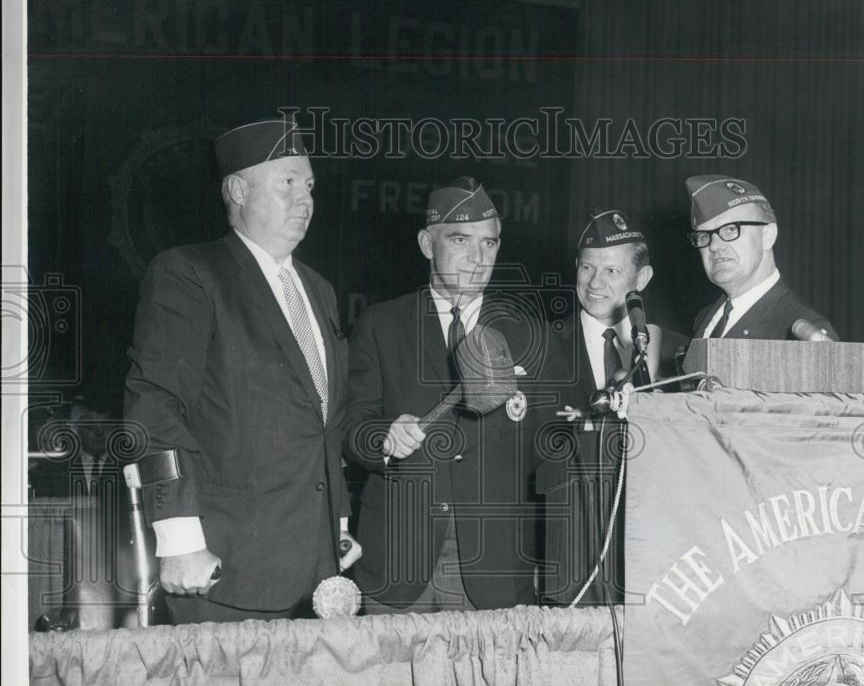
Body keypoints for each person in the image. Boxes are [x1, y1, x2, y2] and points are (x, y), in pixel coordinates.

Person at [123, 118, 360, 624]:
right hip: (224, 569)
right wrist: (178, 536)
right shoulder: (189, 273)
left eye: (310, 186)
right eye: (288, 182)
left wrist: (336, 521)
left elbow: (323, 423)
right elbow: (153, 406)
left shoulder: (318, 290)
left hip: (318, 572)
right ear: (236, 190)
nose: (305, 199)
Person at [343, 176, 542, 614]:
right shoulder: (381, 325)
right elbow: (349, 427)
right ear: (426, 243)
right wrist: (383, 437)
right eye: (460, 239)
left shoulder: (527, 335)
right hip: (398, 564)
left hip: (492, 571)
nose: (477, 257)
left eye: (489, 244)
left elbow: (545, 455)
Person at [536, 210, 688, 606]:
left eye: (611, 272)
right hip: (566, 570)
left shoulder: (676, 356)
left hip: (653, 570)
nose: (594, 283)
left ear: (642, 279)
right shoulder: (537, 348)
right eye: (587, 267)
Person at [686, 175, 839, 340]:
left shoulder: (804, 333)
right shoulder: (706, 318)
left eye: (730, 229)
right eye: (703, 236)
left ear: (767, 236)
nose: (714, 246)